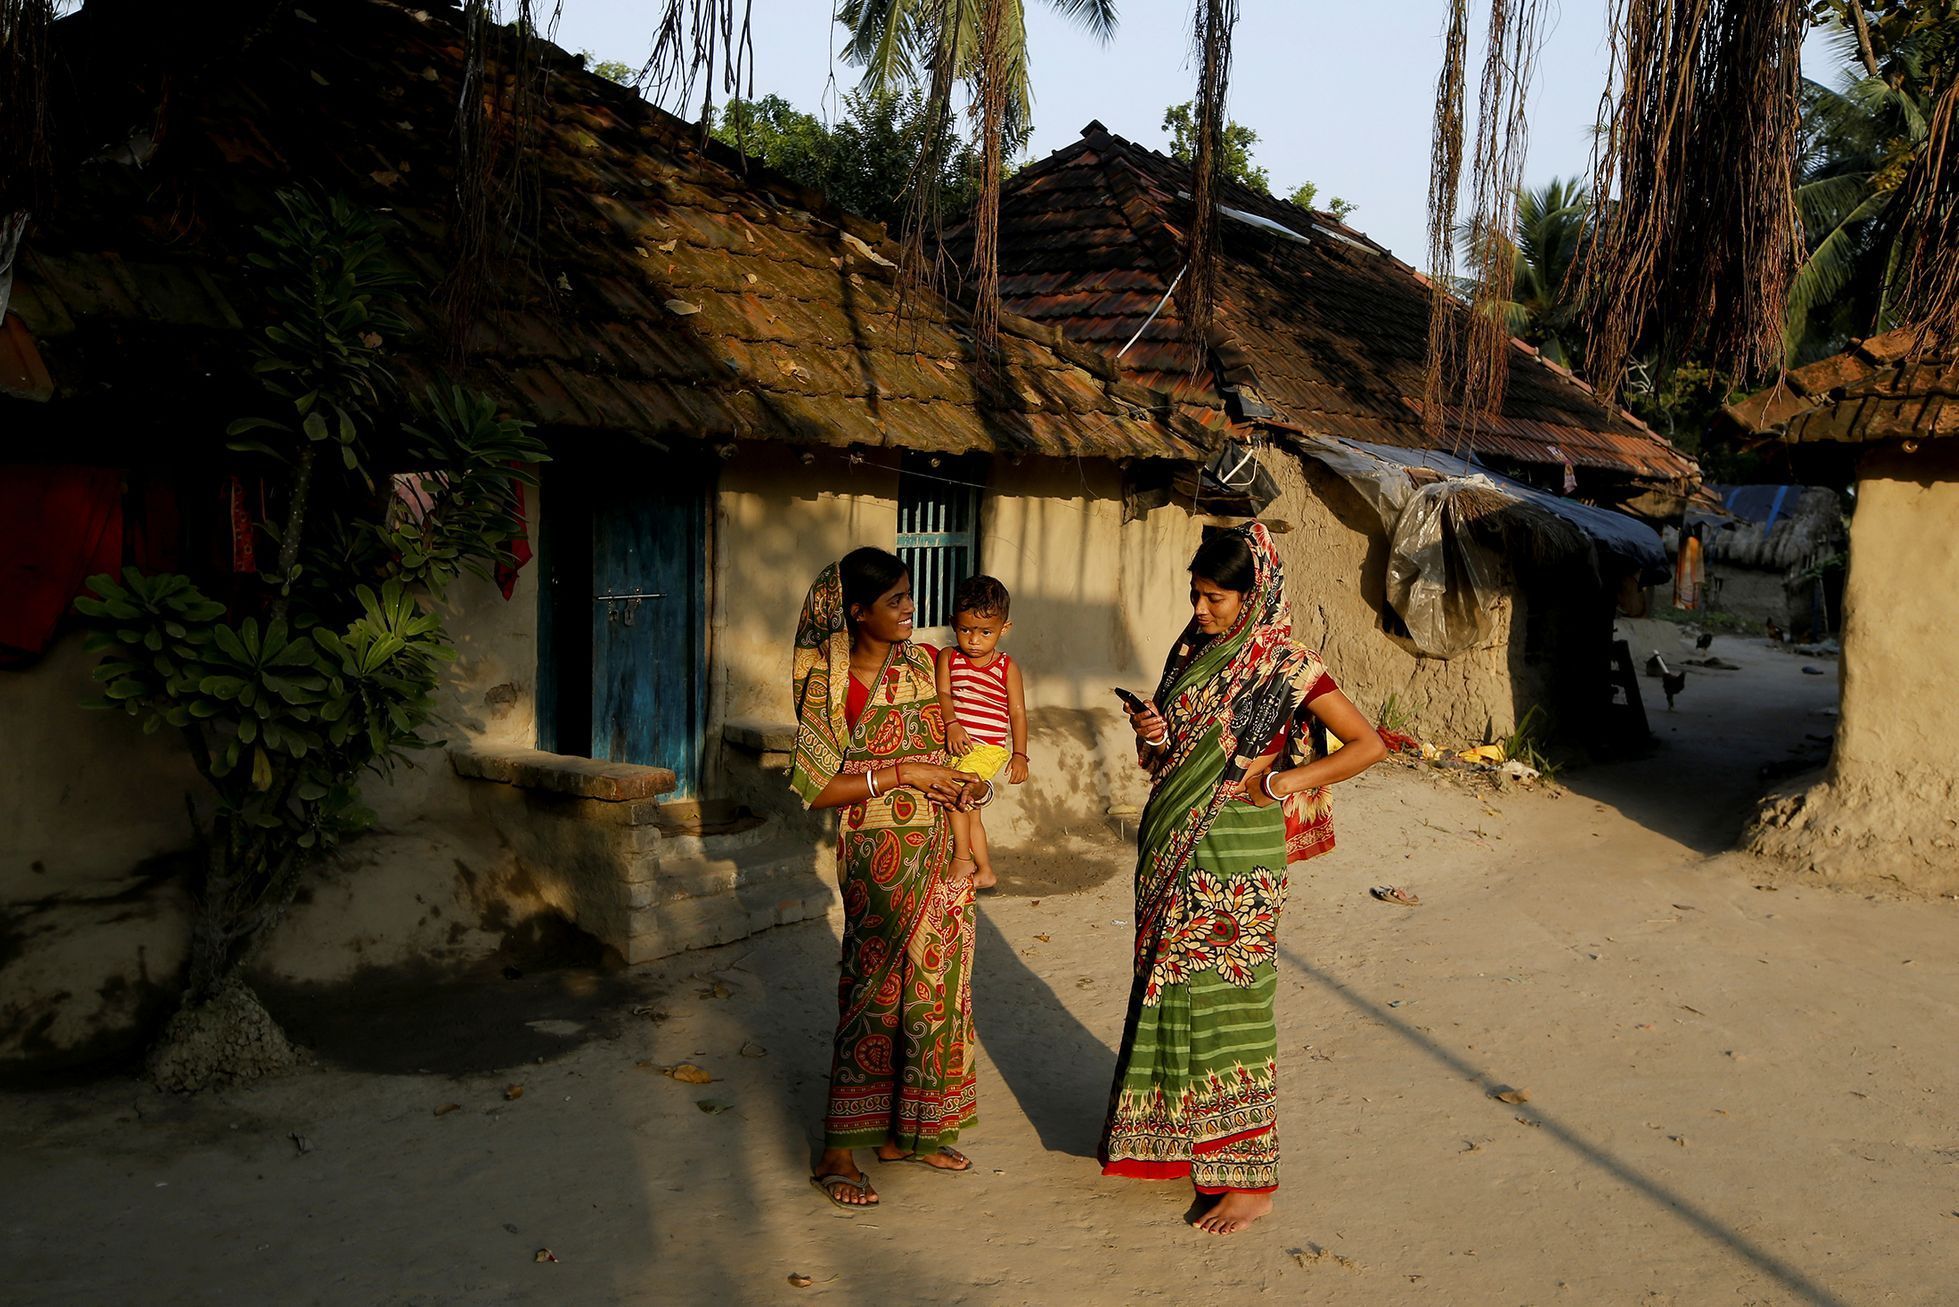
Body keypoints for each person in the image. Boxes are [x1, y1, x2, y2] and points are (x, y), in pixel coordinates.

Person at [1099, 524, 1388, 1235]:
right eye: (1195, 594)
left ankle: (1250, 1180)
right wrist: (1152, 730)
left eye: (1216, 597)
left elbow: (1367, 744)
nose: (1201, 609)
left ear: (1252, 594)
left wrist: (1282, 778)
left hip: (1237, 852)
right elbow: (1167, 748)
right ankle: (1175, 1140)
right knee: (1167, 984)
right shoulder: (1191, 648)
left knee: (1232, 1001)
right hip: (1171, 837)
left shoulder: (1287, 663)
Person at [790, 547, 987, 1211]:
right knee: (872, 991)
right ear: (857, 612)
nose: (910, 610)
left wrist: (966, 791)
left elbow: (944, 756)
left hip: (937, 847)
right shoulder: (829, 679)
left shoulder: (923, 665)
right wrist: (899, 774)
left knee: (936, 992)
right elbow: (816, 787)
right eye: (896, 600)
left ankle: (914, 1130)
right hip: (873, 853)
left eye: (909, 597)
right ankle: (837, 1151)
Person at [934, 575, 1030, 891]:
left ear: (1004, 629)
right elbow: (944, 696)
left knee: (956, 795)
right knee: (972, 814)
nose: (974, 640)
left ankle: (962, 858)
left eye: (985, 632)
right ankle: (986, 870)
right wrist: (952, 723)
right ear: (953, 624)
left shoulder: (1006, 667)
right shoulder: (948, 658)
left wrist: (1019, 755)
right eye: (966, 630)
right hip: (957, 744)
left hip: (987, 747)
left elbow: (1017, 712)